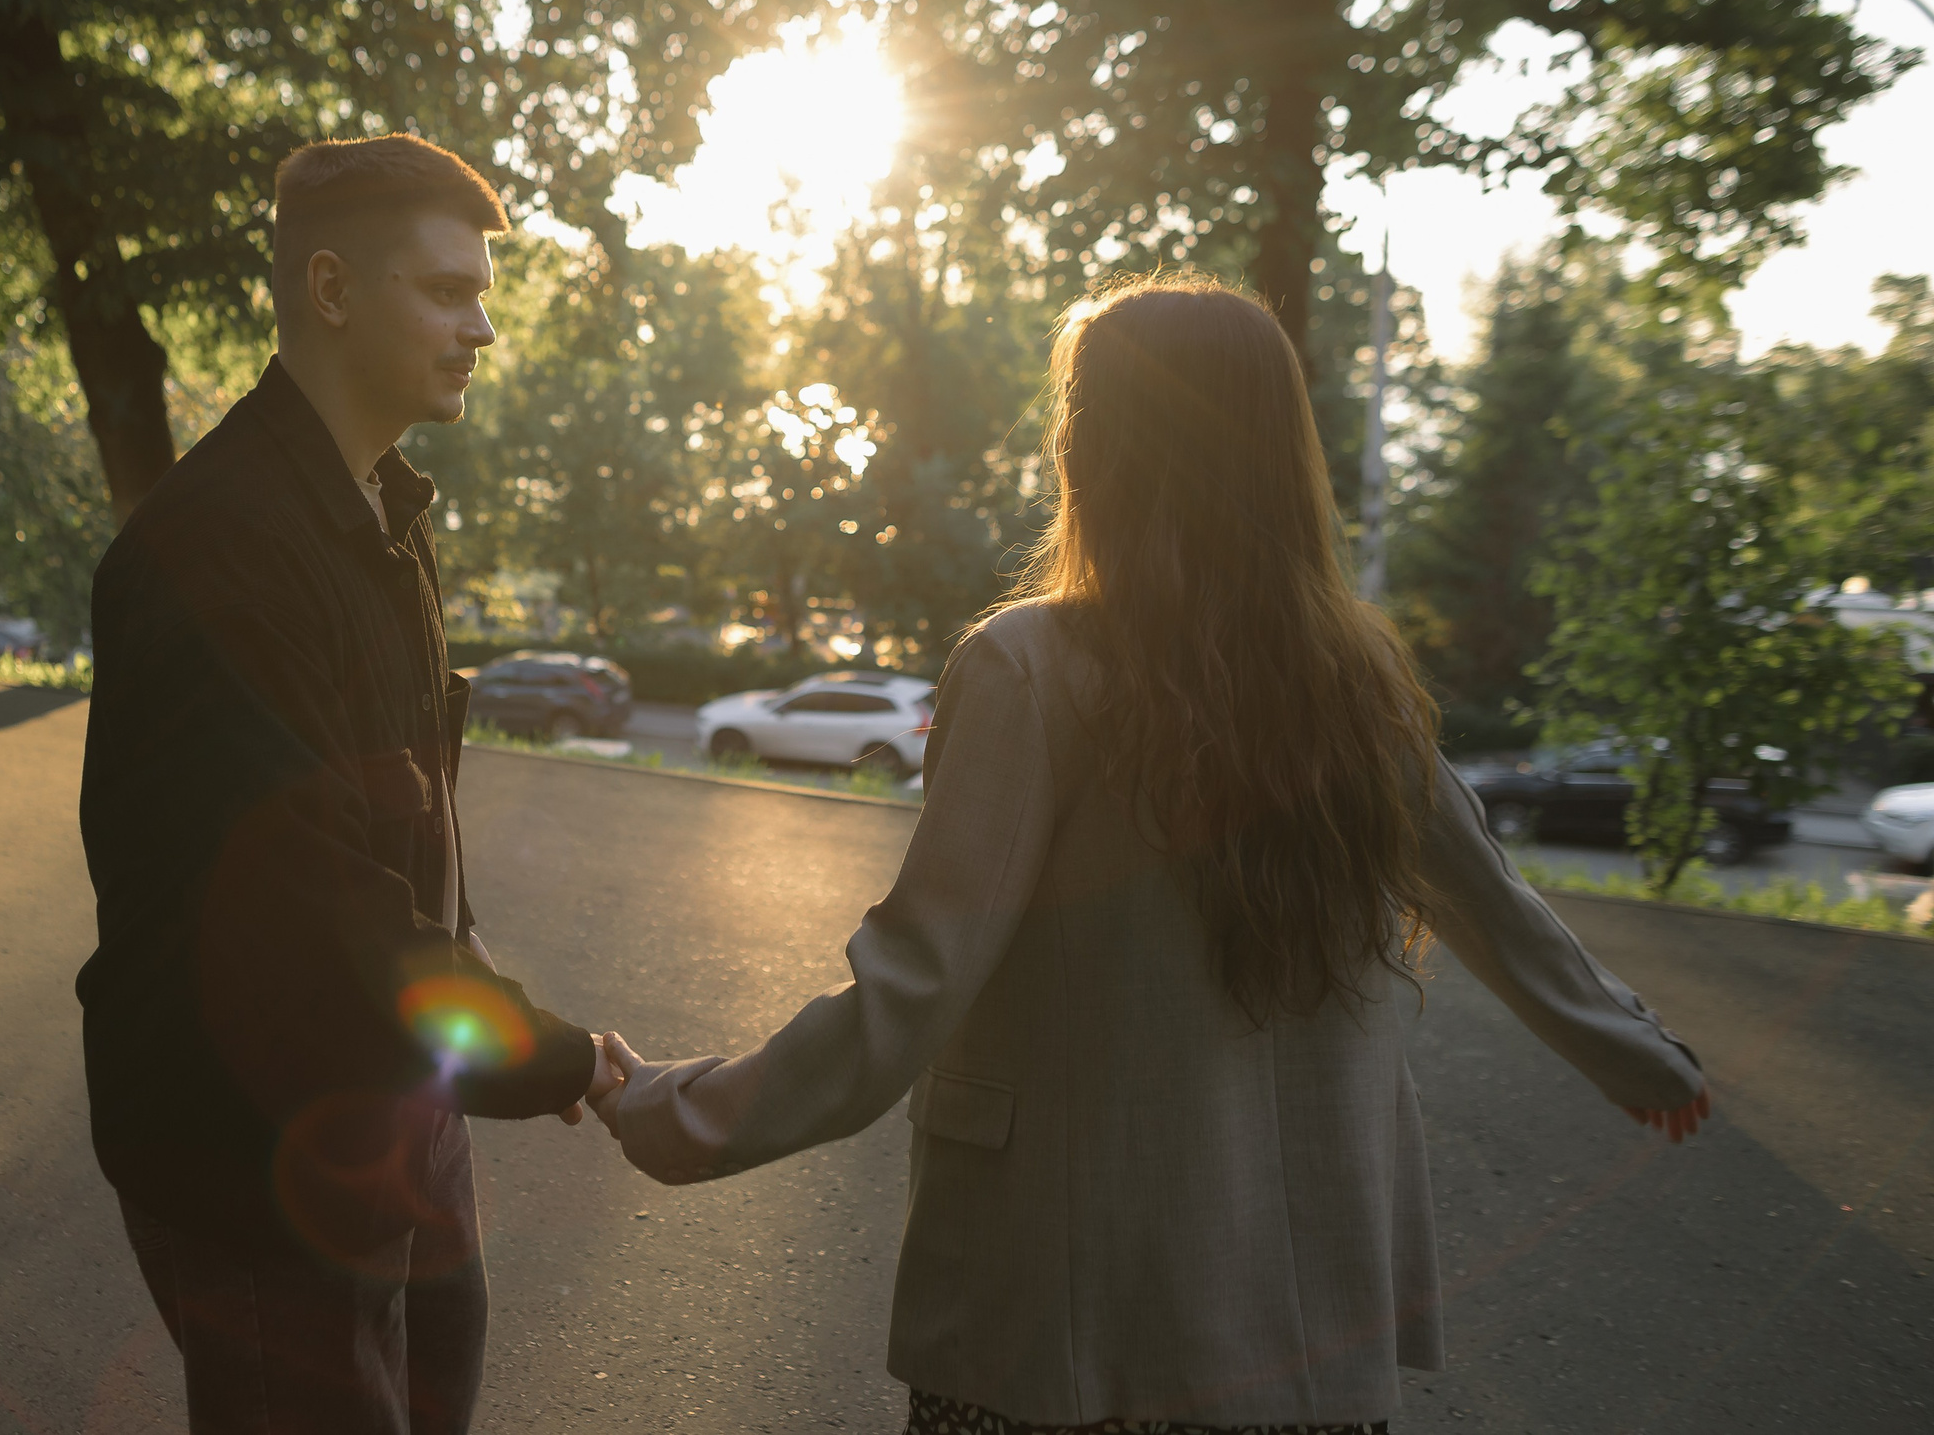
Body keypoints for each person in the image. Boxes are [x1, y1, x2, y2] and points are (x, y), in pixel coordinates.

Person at [592, 273, 1709, 1435]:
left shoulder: (1031, 669)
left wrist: (678, 1111)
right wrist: (1636, 1049)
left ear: (1093, 447)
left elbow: (912, 983)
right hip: (1305, 1337)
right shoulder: (1355, 677)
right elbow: (1490, 896)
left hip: (1072, 1328)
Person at [78, 132, 618, 1435]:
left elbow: (400, 807)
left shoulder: (381, 510)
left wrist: (471, 967)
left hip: (396, 1104)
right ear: (330, 289)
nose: (481, 327)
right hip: (254, 1145)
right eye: (447, 291)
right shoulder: (220, 547)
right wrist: (565, 1060)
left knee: (439, 1372)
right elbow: (310, 910)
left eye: (481, 293)